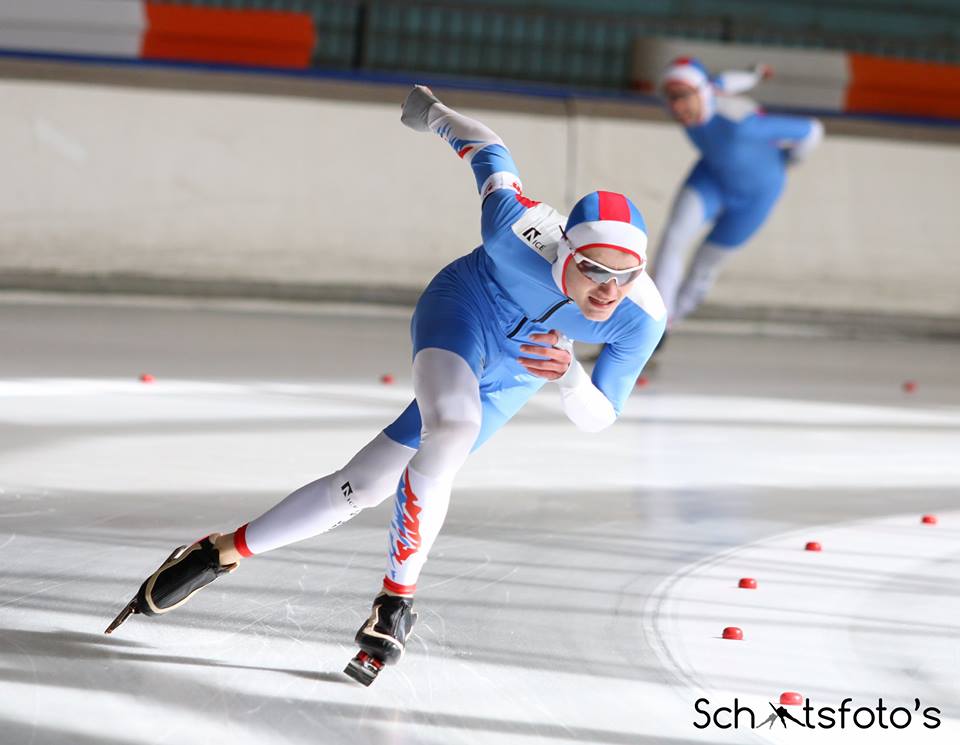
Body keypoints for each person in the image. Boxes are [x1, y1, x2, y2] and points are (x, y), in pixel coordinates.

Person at [105, 85, 667, 685]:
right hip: (465, 310)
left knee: (365, 484)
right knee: (454, 428)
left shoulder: (642, 315)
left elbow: (600, 416)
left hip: (519, 368)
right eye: (593, 271)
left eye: (625, 275)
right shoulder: (515, 231)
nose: (608, 290)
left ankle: (221, 551)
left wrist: (572, 374)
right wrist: (433, 114)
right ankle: (396, 602)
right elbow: (488, 149)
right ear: (566, 251)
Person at [651, 57, 823, 344]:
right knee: (673, 238)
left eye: (682, 97)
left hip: (756, 198)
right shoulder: (706, 91)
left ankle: (673, 318)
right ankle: (655, 326)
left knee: (705, 265)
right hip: (711, 179)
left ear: (702, 92)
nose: (676, 107)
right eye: (670, 98)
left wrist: (790, 161)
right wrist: (754, 74)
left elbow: (813, 130)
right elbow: (726, 80)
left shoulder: (742, 124)